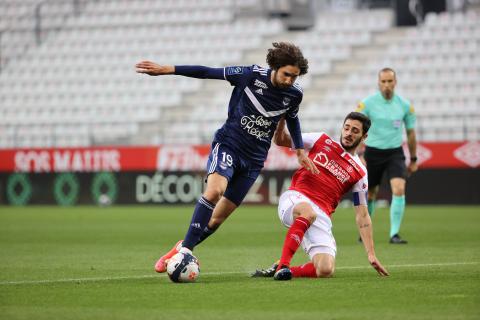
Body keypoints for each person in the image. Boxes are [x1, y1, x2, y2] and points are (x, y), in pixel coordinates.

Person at [136, 42, 319, 273]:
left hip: (254, 160)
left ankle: (180, 248)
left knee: (217, 219)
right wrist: (167, 69)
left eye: (295, 76)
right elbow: (207, 72)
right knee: (214, 192)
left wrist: (300, 150)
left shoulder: (295, 94)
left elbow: (293, 118)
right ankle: (186, 252)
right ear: (275, 66)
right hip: (229, 145)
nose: (290, 81)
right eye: (287, 75)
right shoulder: (250, 75)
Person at [252, 112, 389, 280]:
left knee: (325, 269)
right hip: (296, 198)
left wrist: (371, 254)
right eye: (346, 128)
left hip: (321, 215)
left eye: (355, 130)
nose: (348, 133)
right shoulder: (321, 140)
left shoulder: (360, 172)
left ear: (364, 136)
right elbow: (281, 140)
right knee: (308, 213)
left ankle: (283, 269)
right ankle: (283, 266)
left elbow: (362, 215)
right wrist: (282, 118)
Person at [356, 68, 418, 244]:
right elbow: (357, 128)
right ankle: (364, 231)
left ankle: (394, 234)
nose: (387, 85)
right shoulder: (367, 104)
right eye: (383, 81)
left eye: (390, 81)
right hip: (372, 153)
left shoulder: (405, 105)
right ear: (378, 83)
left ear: (395, 82)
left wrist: (413, 159)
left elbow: (411, 133)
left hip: (394, 153)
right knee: (371, 194)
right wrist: (360, 153)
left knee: (398, 189)